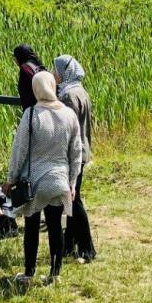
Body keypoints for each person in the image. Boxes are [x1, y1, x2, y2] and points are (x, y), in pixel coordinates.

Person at [6, 71, 83, 285]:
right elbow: (76, 152)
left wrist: (10, 179)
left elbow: (19, 150)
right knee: (56, 227)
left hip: (35, 181)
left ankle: (29, 274)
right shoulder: (69, 115)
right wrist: (72, 182)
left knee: (31, 228)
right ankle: (55, 274)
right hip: (59, 180)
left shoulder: (31, 115)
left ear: (36, 88)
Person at [53, 54, 95, 263]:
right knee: (69, 200)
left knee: (73, 199)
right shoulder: (81, 91)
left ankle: (88, 248)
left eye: (56, 71)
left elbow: (67, 128)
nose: (54, 75)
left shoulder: (68, 96)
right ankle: (69, 245)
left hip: (74, 154)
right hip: (83, 150)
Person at [13, 44, 46, 111]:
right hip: (44, 106)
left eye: (15, 57)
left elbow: (26, 93)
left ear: (19, 57)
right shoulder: (37, 64)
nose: (14, 60)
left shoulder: (25, 68)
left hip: (34, 109)